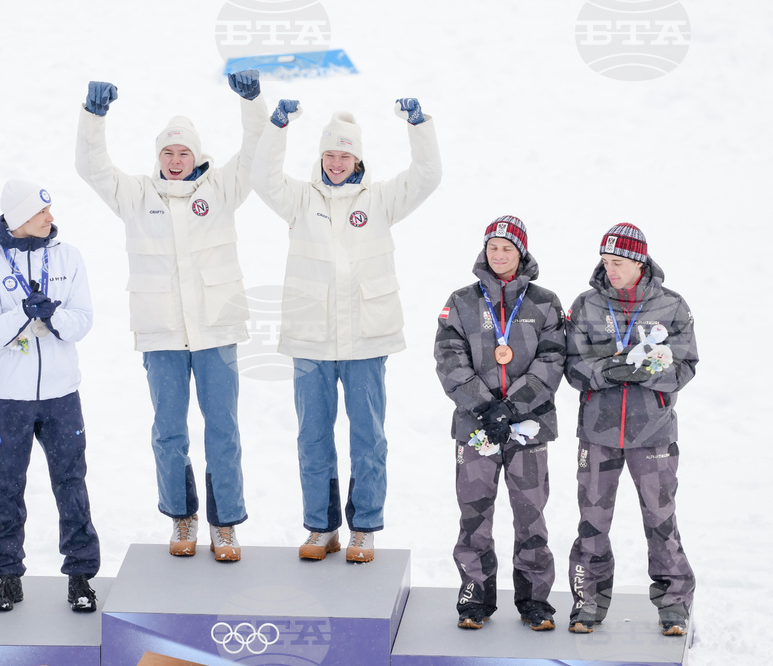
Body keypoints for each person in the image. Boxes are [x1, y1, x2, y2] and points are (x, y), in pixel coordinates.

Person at [76, 71, 267, 561]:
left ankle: (224, 525)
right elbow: (92, 167)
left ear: (197, 156)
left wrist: (253, 102)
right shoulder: (137, 195)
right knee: (169, 430)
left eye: (183, 153)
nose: (176, 161)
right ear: (158, 158)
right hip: (161, 333)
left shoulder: (222, 189)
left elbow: (255, 151)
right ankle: (182, 517)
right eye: (168, 153)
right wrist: (93, 117)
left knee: (223, 428)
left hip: (216, 331)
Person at [251, 97, 442, 562]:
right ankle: (321, 527)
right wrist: (277, 127)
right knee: (313, 437)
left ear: (358, 160)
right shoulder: (299, 199)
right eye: (330, 156)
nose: (336, 164)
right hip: (311, 338)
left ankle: (364, 528)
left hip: (365, 338)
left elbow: (426, 177)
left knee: (367, 437)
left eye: (345, 156)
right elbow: (261, 178)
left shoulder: (379, 200)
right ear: (320, 158)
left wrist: (419, 126)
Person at [0, 180, 100, 612]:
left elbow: (83, 320)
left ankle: (80, 575)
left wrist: (54, 315)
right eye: (40, 211)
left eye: (49, 210)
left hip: (62, 393)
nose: (50, 217)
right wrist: (23, 316)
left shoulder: (68, 257)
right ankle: (8, 576)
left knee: (71, 480)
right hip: (9, 396)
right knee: (7, 485)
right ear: (19, 218)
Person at [563, 223, 697, 636]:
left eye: (618, 263)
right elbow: (571, 367)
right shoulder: (586, 305)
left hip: (653, 433)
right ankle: (588, 603)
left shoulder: (672, 306)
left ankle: (674, 606)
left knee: (661, 519)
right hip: (598, 433)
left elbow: (686, 366)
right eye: (605, 262)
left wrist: (648, 372)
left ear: (639, 262)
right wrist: (609, 370)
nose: (610, 270)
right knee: (592, 521)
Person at [434, 216, 565, 630]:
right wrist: (486, 406)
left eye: (508, 248)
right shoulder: (462, 301)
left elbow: (552, 360)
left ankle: (534, 600)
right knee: (474, 514)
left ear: (521, 252)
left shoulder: (545, 302)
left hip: (528, 426)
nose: (499, 254)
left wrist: (513, 407)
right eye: (493, 247)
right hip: (476, 427)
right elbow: (449, 359)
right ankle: (475, 597)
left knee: (531, 514)